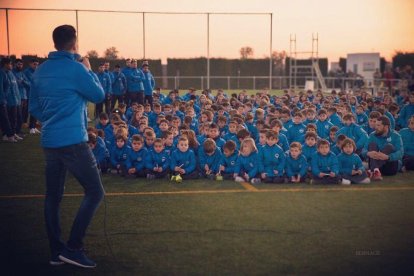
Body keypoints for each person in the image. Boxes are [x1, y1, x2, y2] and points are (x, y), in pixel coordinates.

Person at [29, 25, 105, 268]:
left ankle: (56, 252)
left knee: (53, 197)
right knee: (95, 192)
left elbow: (34, 108)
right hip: (73, 141)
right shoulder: (76, 68)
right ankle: (73, 247)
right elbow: (98, 95)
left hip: (50, 141)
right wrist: (88, 70)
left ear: (54, 44)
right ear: (75, 43)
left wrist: (51, 120)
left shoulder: (40, 71)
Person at [364, 116, 403, 180]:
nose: (376, 127)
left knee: (389, 146)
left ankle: (372, 170)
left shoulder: (396, 136)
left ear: (386, 126)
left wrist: (388, 157)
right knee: (372, 144)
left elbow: (401, 152)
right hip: (375, 163)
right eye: (376, 125)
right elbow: (364, 150)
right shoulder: (372, 135)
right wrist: (368, 153)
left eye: (378, 125)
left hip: (390, 166)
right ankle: (376, 171)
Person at [0, 58, 19, 142]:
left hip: (5, 100)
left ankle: (6, 135)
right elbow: (0, 89)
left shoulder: (7, 73)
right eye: (10, 64)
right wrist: (3, 100)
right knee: (5, 119)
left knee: (5, 118)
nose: (11, 65)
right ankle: (10, 136)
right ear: (5, 64)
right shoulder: (1, 73)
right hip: (2, 101)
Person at [25, 58, 41, 134]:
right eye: (34, 64)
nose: (36, 66)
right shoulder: (27, 72)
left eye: (37, 64)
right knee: (32, 110)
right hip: (29, 94)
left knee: (36, 109)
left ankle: (34, 126)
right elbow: (31, 83)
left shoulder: (37, 72)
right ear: (30, 64)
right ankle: (31, 127)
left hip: (35, 94)